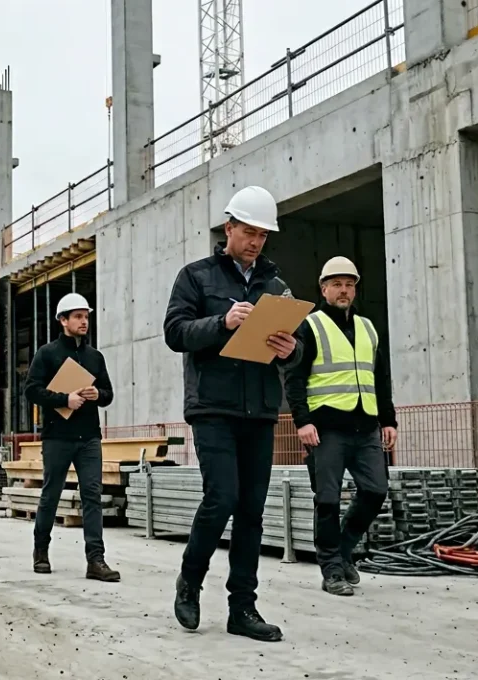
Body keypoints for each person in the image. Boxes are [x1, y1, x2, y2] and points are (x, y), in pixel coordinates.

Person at [162, 185, 301, 642]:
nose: (256, 242)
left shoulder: (276, 285)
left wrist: (290, 349)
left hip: (259, 410)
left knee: (252, 511)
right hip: (213, 407)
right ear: (229, 228)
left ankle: (243, 608)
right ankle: (190, 581)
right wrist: (221, 323)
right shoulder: (197, 277)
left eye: (263, 234)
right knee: (221, 497)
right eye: (249, 232)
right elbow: (176, 332)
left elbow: (299, 353)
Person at [284, 256, 398, 597]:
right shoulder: (310, 325)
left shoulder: (368, 327)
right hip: (327, 428)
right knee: (329, 499)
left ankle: (344, 549)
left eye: (349, 284)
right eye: (337, 284)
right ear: (324, 289)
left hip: (366, 426)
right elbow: (294, 377)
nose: (344, 290)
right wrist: (302, 421)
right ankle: (331, 568)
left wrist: (388, 420)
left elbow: (380, 378)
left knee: (376, 490)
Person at [22, 292, 120, 583]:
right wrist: (65, 398)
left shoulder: (95, 357)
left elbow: (108, 395)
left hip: (89, 436)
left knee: (92, 496)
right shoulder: (47, 354)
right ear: (62, 320)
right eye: (77, 316)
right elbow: (31, 390)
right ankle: (41, 552)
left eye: (86, 316)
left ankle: (96, 560)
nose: (84, 321)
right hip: (58, 437)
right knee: (51, 495)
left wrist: (96, 394)